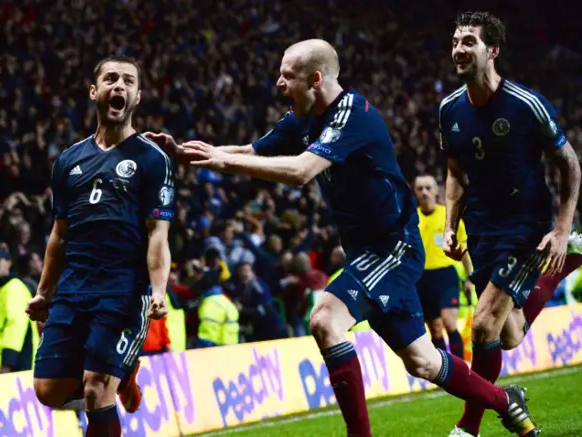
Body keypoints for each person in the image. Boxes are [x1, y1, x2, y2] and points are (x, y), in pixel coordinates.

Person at [148, 38, 539, 437]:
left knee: (324, 319)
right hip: (369, 253)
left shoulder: (353, 115)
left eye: (288, 76)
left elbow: (302, 171)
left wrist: (224, 159)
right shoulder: (300, 117)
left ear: (316, 79)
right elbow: (252, 150)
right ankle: (506, 401)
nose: (279, 84)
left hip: (392, 247)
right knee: (422, 361)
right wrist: (189, 153)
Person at [440, 12, 581, 437]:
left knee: (482, 324)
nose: (459, 49)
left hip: (525, 223)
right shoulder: (449, 109)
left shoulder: (526, 105)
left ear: (492, 50)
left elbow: (570, 165)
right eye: (455, 41)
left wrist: (559, 226)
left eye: (469, 41)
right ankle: (569, 261)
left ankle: (469, 427)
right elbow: (454, 172)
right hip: (482, 227)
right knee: (509, 335)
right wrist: (451, 224)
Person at [25, 55, 175, 437]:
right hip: (75, 287)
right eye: (111, 79)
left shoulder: (152, 158)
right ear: (95, 91)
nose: (119, 86)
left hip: (123, 289)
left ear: (137, 96)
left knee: (95, 387)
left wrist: (158, 290)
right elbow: (59, 235)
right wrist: (44, 293)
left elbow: (158, 234)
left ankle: (112, 374)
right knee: (48, 390)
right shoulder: (68, 162)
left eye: (128, 81)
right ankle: (123, 374)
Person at [414, 174, 473, 359]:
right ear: (415, 192)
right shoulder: (411, 220)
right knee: (435, 330)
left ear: (437, 190)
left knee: (449, 321)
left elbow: (463, 250)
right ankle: (447, 373)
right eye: (420, 188)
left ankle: (462, 368)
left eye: (428, 188)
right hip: (421, 279)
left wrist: (470, 277)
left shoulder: (449, 217)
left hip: (446, 275)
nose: (424, 192)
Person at [0, 248, 40, 375]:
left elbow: (16, 326)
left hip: (15, 369)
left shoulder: (14, 288)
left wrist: (6, 363)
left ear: (8, 263)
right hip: (3, 367)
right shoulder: (0, 290)